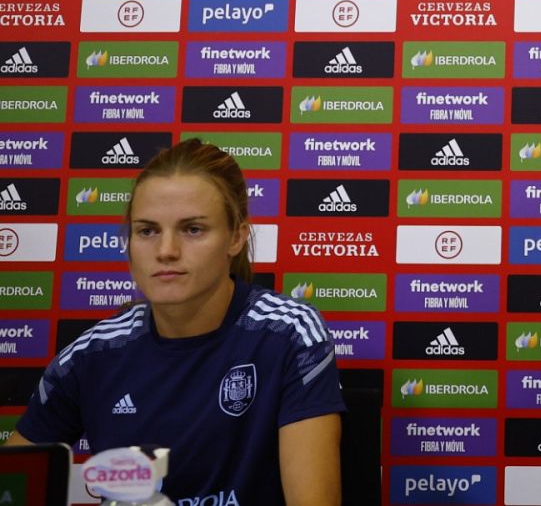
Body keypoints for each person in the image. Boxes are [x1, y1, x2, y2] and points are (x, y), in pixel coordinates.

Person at [6, 138, 344, 506]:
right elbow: (13, 483)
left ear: (235, 237)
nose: (166, 250)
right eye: (147, 231)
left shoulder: (289, 333)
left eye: (193, 229)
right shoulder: (93, 353)